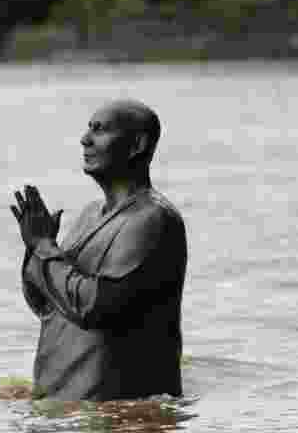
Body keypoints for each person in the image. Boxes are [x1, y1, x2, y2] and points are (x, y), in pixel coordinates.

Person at [10, 99, 187, 401]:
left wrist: (44, 247)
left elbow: (94, 307)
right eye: (88, 128)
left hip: (119, 413)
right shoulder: (91, 214)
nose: (85, 139)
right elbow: (47, 305)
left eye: (100, 130)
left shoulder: (151, 220)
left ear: (137, 145)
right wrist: (34, 249)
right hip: (67, 407)